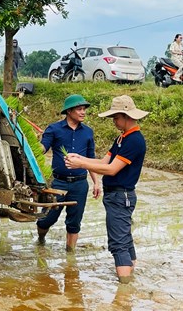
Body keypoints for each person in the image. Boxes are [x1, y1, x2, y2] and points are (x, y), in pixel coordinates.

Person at [65, 95, 149, 284]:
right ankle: (129, 280)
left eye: (115, 118)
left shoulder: (134, 141)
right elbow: (104, 162)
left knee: (118, 243)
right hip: (116, 196)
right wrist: (81, 159)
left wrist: (80, 165)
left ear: (125, 116)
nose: (113, 122)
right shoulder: (122, 138)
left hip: (121, 195)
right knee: (124, 238)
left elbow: (111, 169)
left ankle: (124, 289)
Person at [36, 94, 100, 252]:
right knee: (47, 218)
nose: (83, 112)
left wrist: (97, 182)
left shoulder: (88, 132)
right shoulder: (54, 129)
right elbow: (43, 148)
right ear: (69, 111)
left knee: (74, 222)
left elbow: (91, 159)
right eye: (79, 109)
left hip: (80, 184)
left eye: (84, 109)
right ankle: (41, 239)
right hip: (58, 183)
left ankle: (70, 256)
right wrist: (35, 146)